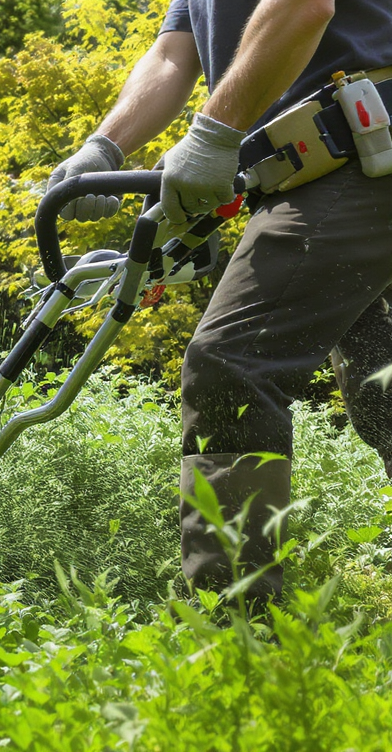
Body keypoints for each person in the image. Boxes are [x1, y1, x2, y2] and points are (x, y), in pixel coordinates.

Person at [47, 0, 392, 603]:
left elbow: (305, 6)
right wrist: (104, 147)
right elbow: (171, 55)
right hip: (327, 162)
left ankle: (238, 638)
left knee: (232, 364)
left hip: (362, 150)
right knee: (382, 384)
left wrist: (211, 134)